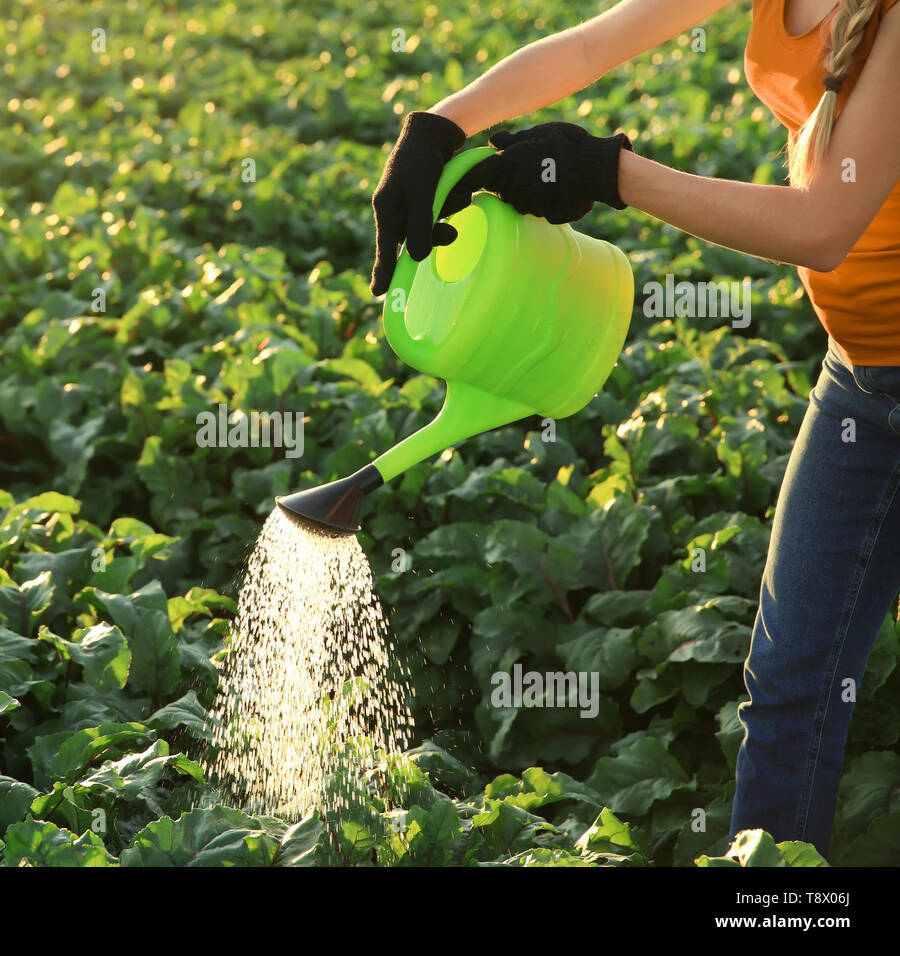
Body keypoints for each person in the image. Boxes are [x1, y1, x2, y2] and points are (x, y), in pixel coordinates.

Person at [369, 0, 900, 858]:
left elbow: (823, 226)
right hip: (861, 378)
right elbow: (594, 42)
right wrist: (440, 125)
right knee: (793, 681)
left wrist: (612, 174)